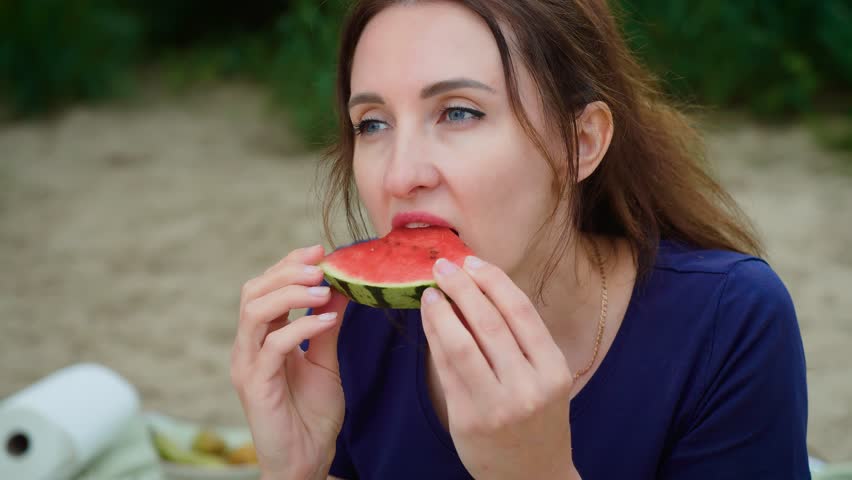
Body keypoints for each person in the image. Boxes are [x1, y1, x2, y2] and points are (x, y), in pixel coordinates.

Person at [230, 1, 810, 478]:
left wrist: (537, 472)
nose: (400, 175)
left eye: (458, 113)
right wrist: (296, 471)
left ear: (581, 143)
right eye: (373, 124)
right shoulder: (350, 333)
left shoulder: (727, 322)